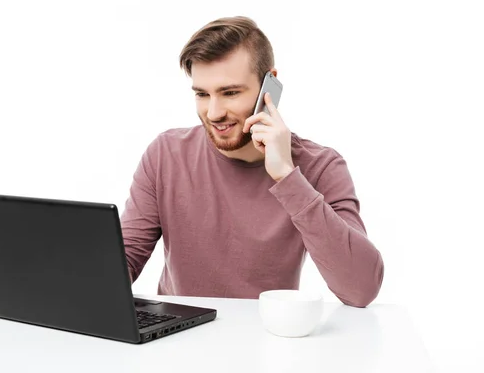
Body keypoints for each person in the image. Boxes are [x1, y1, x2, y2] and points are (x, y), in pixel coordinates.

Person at [121, 16, 384, 308]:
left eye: (230, 93)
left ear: (268, 86)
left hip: (267, 338)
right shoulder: (165, 155)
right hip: (178, 337)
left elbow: (361, 289)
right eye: (202, 95)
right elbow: (122, 264)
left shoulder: (321, 166)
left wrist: (287, 176)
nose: (214, 113)